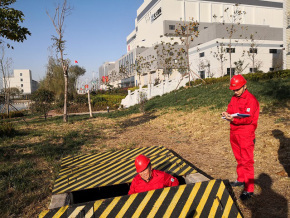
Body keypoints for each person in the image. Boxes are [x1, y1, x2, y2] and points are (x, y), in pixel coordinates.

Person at [222, 75, 259, 201]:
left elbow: (248, 118)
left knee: (247, 161)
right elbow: (230, 109)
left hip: (246, 134)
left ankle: (249, 189)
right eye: (234, 90)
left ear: (244, 86)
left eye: (237, 89)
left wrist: (234, 119)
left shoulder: (251, 100)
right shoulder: (234, 98)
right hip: (234, 132)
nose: (235, 91)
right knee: (239, 158)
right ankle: (241, 179)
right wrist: (226, 114)